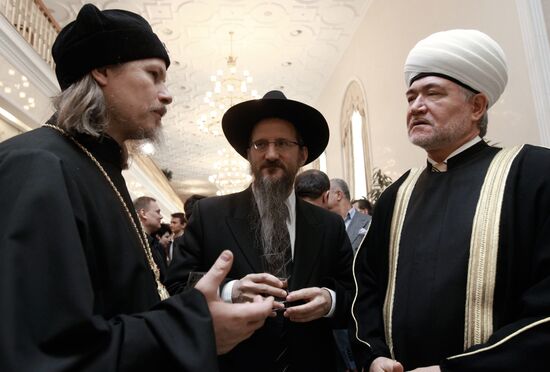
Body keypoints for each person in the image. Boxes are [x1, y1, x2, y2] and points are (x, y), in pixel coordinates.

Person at [0, 4, 272, 371]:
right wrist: (194, 331)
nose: (167, 94)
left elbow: (125, 304)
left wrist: (206, 303)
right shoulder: (38, 163)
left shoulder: (95, 166)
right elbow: (47, 352)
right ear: (101, 69)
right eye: (153, 74)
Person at [353, 29, 550, 371]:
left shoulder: (533, 173)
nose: (416, 106)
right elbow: (367, 287)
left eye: (433, 93)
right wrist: (374, 354)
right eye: (411, 97)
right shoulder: (395, 195)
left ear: (477, 106)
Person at [166, 90, 354, 371]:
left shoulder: (329, 224)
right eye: (260, 145)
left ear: (302, 154)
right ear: (248, 154)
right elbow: (178, 285)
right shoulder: (211, 215)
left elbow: (353, 290)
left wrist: (330, 301)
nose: (270, 154)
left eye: (282, 143)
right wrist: (230, 291)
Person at [328, 179, 371, 253]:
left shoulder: (370, 222)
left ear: (338, 195)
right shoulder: (325, 224)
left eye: (327, 193)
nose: (323, 197)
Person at [134, 196, 167, 280]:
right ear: (143, 214)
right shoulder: (135, 244)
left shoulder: (154, 244)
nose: (161, 216)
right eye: (157, 212)